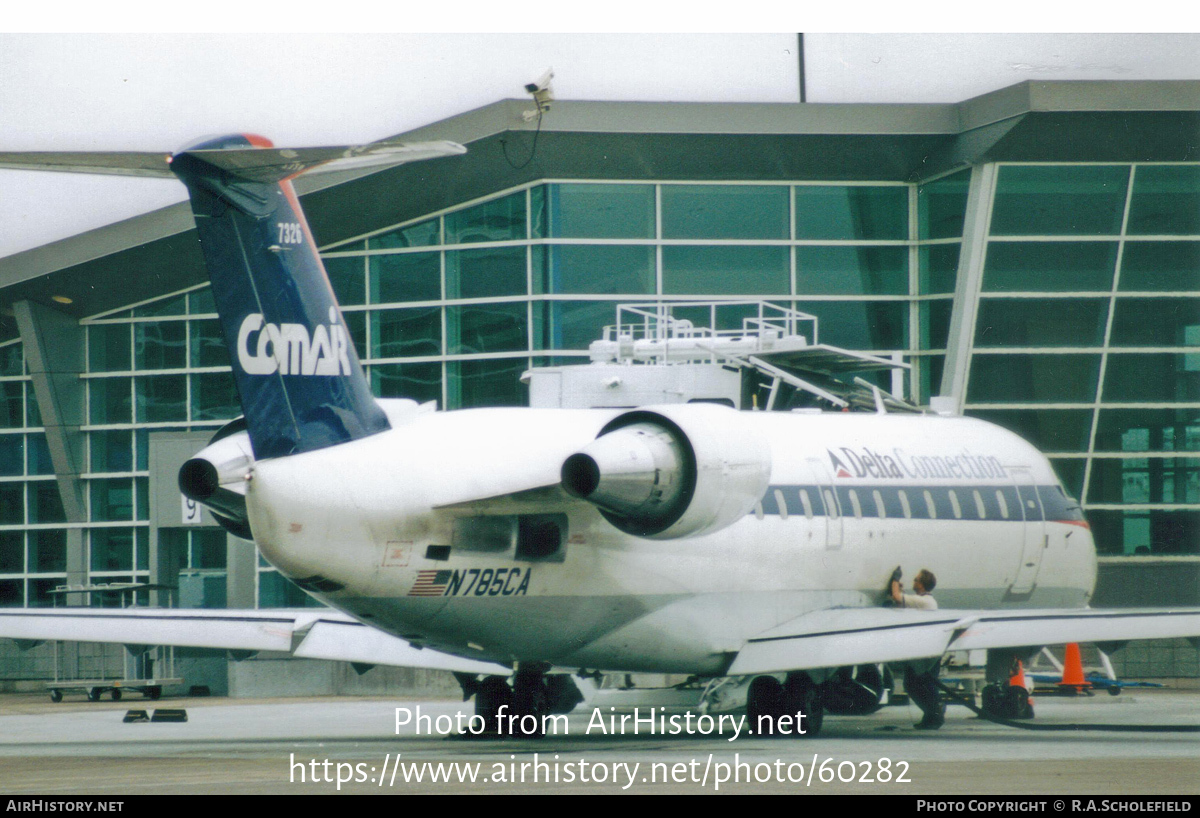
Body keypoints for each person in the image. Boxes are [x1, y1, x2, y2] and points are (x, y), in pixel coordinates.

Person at [886, 568, 944, 728]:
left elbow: (898, 598)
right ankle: (933, 714)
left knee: (918, 684)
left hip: (925, 655)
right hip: (925, 652)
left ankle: (935, 713)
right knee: (916, 684)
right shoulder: (925, 601)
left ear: (922, 584)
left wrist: (895, 580)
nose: (914, 581)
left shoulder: (925, 601)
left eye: (916, 579)